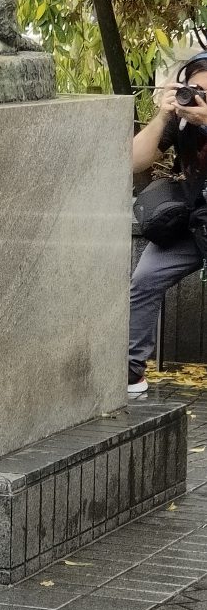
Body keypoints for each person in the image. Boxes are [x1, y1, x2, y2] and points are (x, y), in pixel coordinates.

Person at [129, 52, 207, 393]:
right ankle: (130, 371)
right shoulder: (181, 119)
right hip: (194, 223)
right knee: (144, 279)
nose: (198, 97)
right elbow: (134, 161)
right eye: (194, 88)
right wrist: (163, 114)